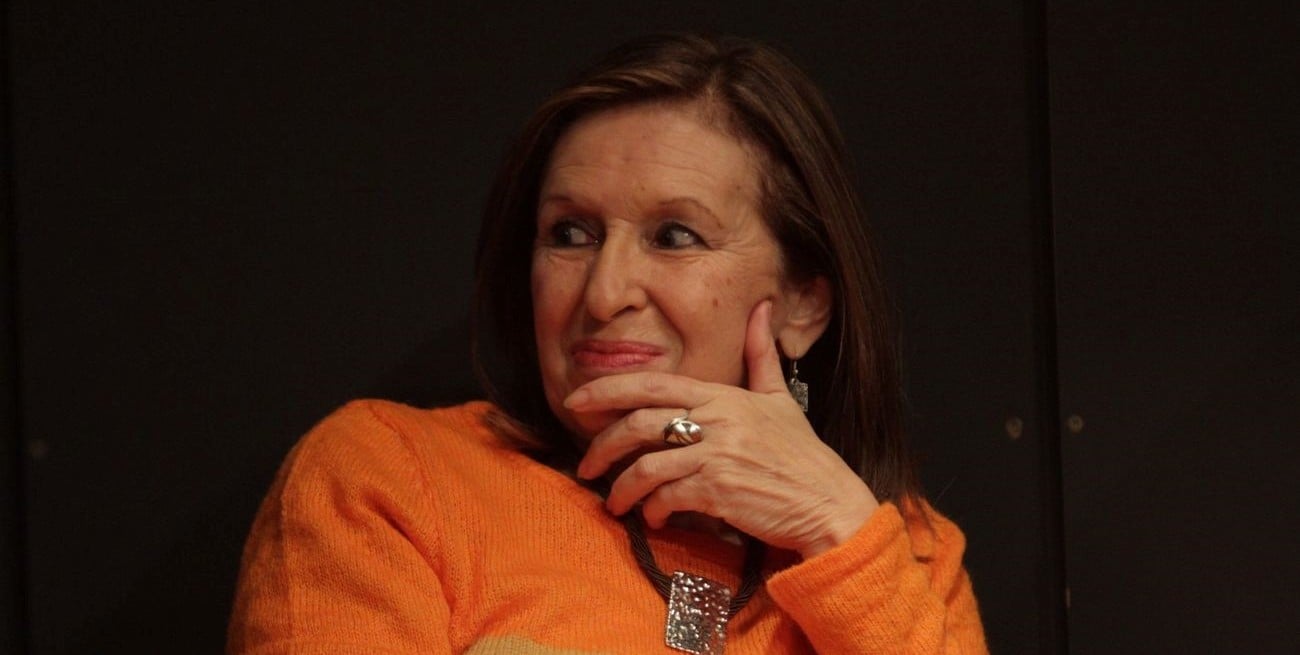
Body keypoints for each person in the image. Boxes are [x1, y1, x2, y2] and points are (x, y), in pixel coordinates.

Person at [228, 34, 986, 654]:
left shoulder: (903, 552)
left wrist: (831, 523)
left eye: (675, 236)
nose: (603, 291)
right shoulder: (388, 478)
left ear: (802, 305)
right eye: (571, 234)